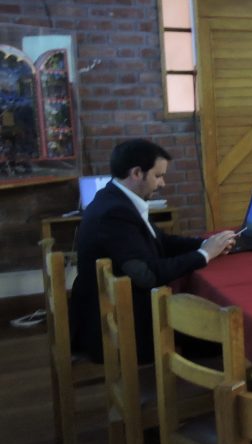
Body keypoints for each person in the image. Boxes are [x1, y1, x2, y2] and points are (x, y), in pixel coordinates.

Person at [70, 139, 237, 364]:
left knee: (208, 316)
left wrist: (205, 243)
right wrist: (204, 255)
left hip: (121, 308)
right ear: (137, 173)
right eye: (158, 176)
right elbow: (146, 274)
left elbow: (161, 242)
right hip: (122, 326)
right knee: (219, 328)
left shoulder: (113, 198)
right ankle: (204, 387)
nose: (163, 183)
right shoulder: (115, 213)